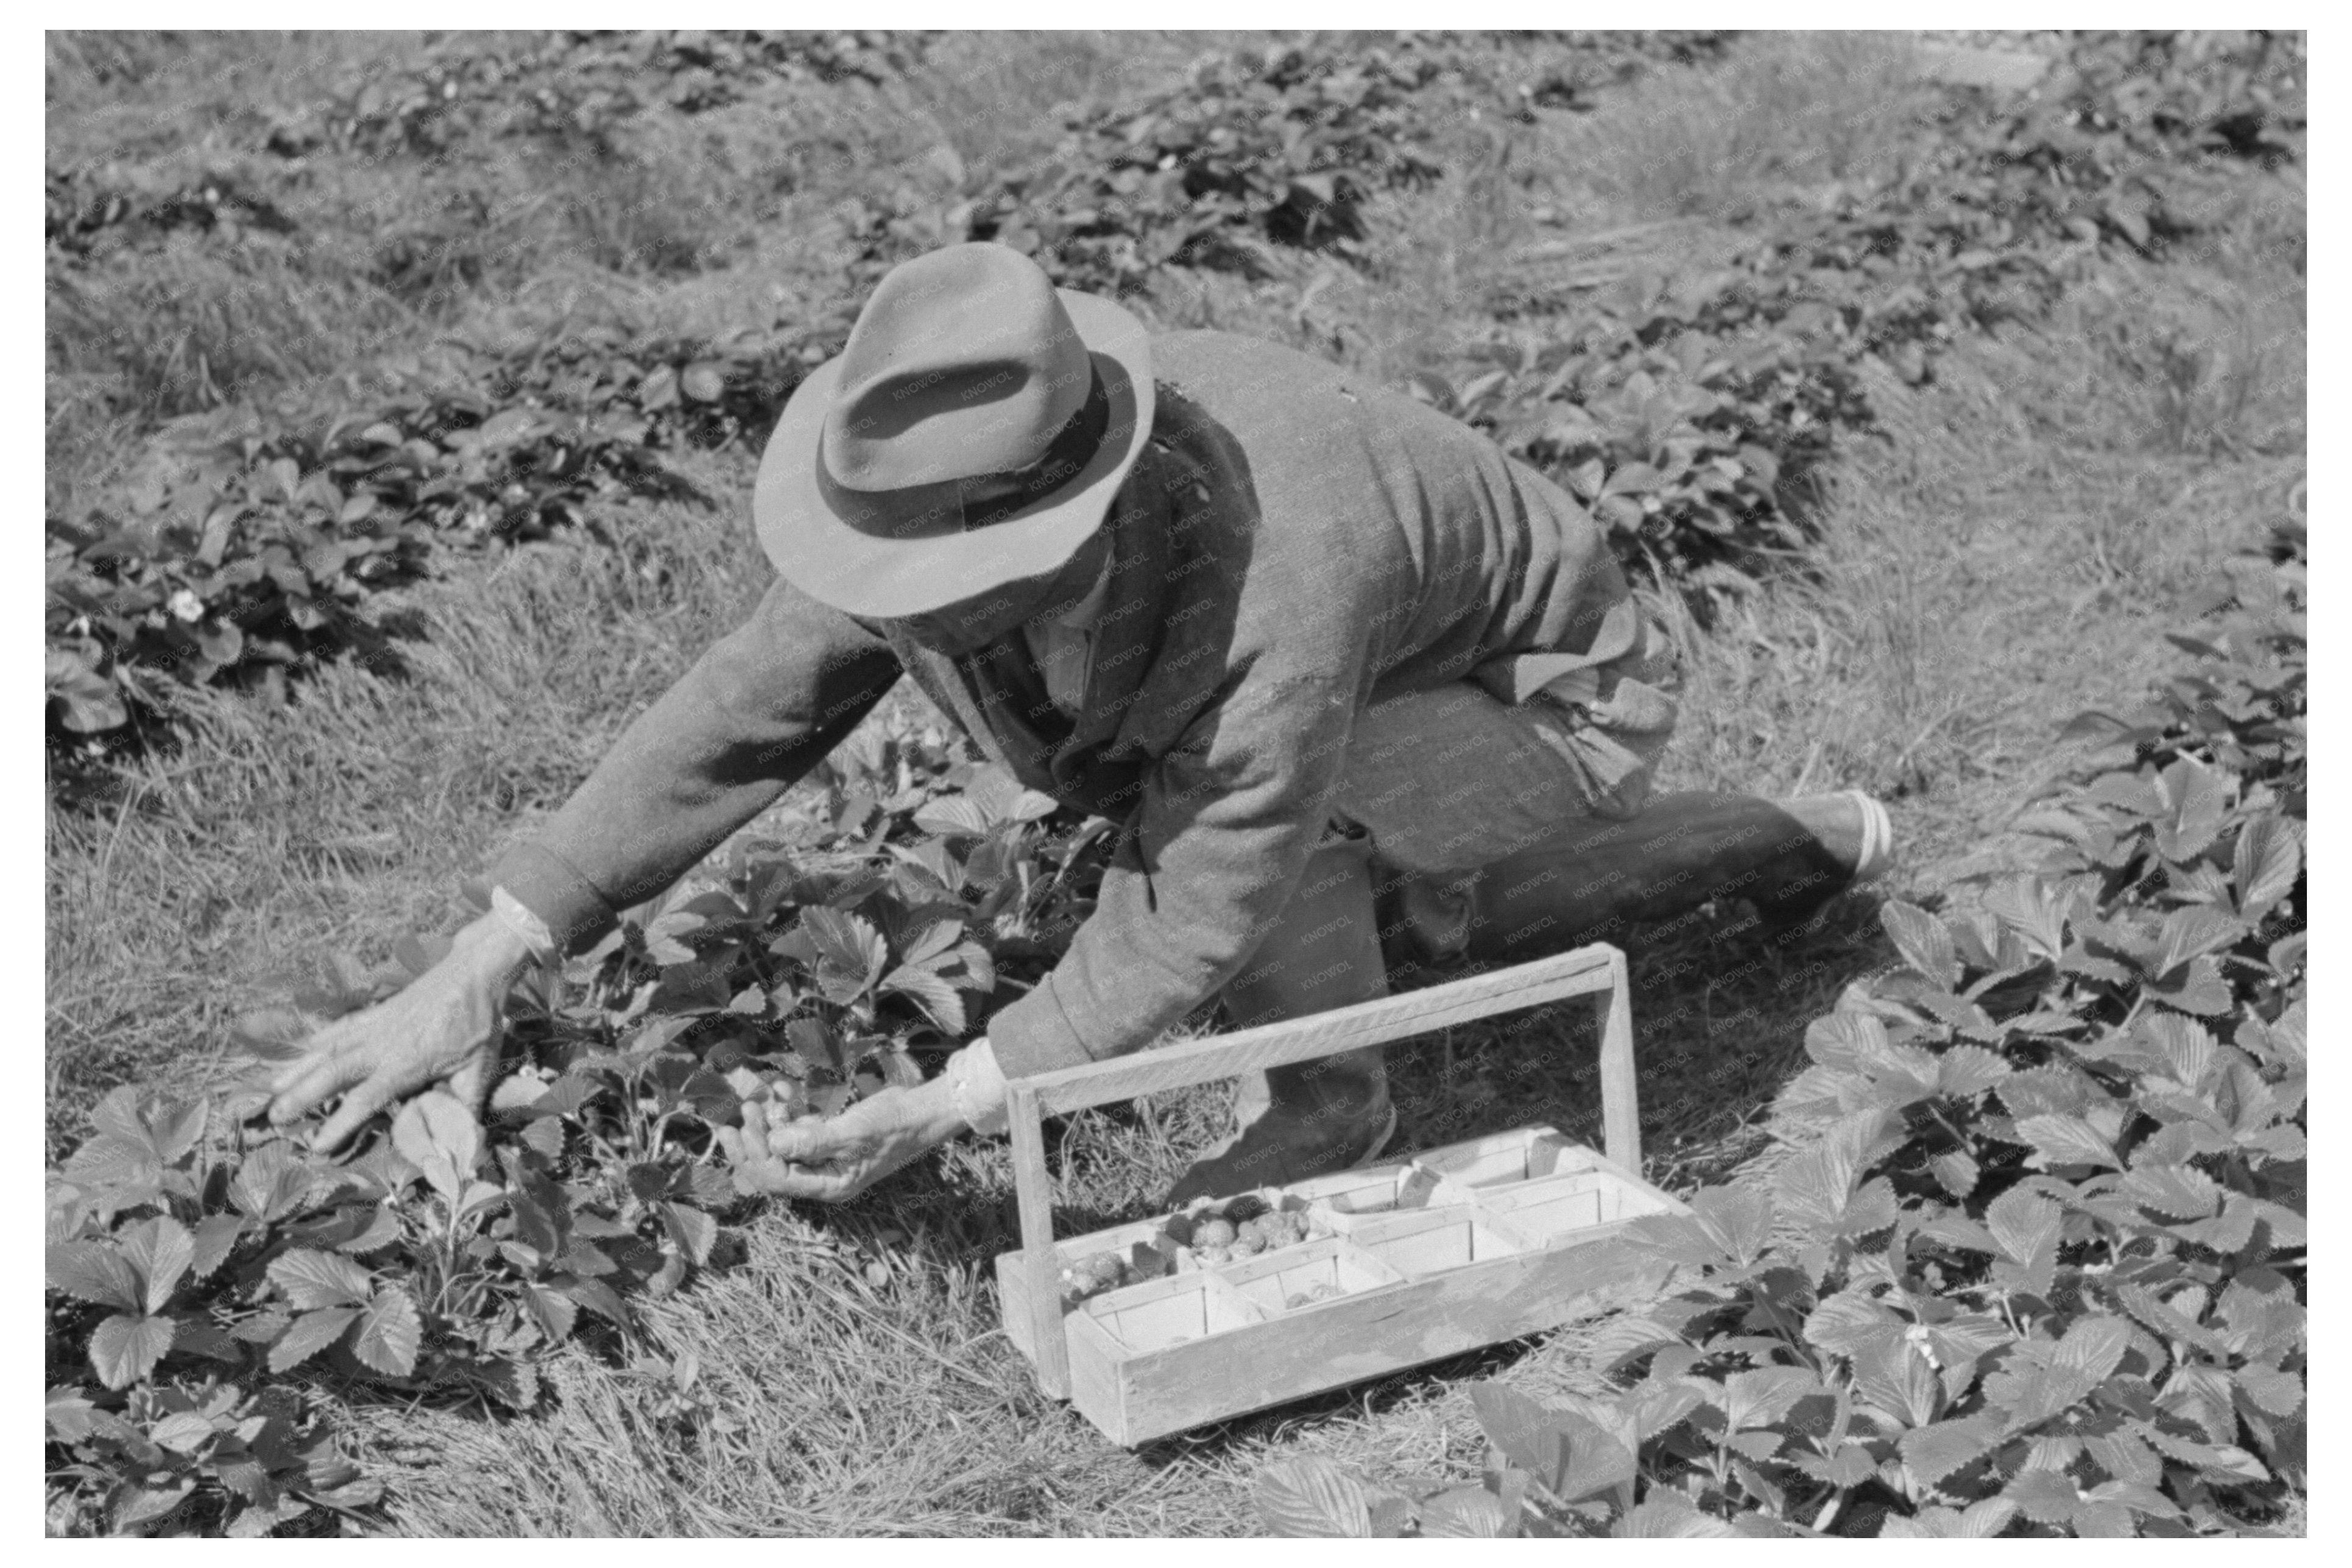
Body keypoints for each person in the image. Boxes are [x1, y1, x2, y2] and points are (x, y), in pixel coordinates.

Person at [266, 241, 1892, 1204]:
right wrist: (485, 962)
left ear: (1081, 522)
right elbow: (743, 713)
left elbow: (1211, 879)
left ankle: (1342, 1103)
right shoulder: (937, 484)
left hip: (1545, 686)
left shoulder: (1284, 567)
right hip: (1373, 693)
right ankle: (1768, 845)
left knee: (1347, 867)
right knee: (1411, 907)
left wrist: (973, 1093)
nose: (911, 622)